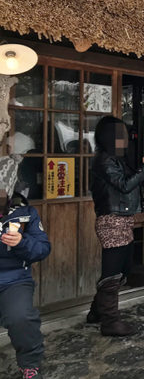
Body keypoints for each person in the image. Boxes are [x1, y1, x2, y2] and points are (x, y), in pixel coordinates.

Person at [88, 116, 144, 336]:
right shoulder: (104, 160)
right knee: (112, 272)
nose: (125, 141)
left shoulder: (116, 160)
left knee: (123, 269)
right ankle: (110, 322)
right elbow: (125, 185)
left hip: (123, 220)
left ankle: (95, 313)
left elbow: (129, 180)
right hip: (111, 220)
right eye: (120, 136)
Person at [0, 156, 51, 379]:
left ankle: (30, 364)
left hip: (14, 279)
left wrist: (21, 243)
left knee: (20, 317)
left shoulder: (25, 213)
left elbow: (43, 248)